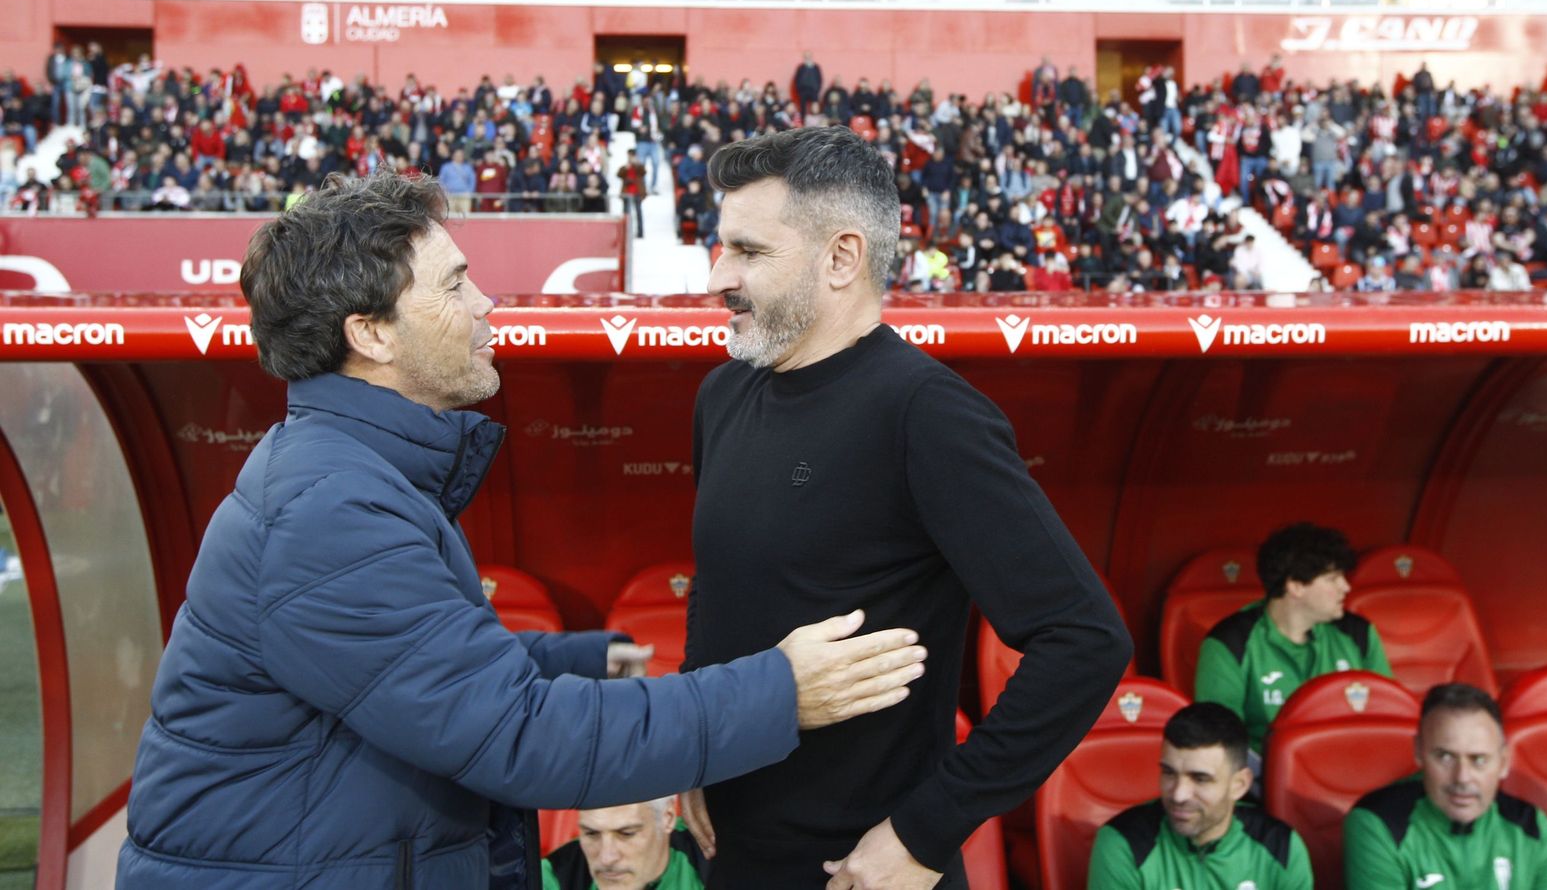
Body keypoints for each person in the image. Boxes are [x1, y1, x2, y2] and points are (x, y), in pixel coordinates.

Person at [115, 170, 928, 889]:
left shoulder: (349, 475)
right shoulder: (329, 510)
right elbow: (518, 734)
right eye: (454, 284)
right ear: (370, 334)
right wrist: (780, 693)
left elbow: (420, 665)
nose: (484, 303)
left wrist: (579, 657)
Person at [685, 126, 1132, 888]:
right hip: (729, 859)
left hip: (858, 871)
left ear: (842, 257)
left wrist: (926, 831)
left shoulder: (927, 414)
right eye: (721, 248)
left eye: (750, 253)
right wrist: (694, 744)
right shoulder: (722, 393)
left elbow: (1084, 639)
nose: (718, 277)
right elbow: (724, 593)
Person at [1344, 684, 1547, 890]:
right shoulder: (1379, 824)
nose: (1462, 777)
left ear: (1503, 763)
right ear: (1418, 752)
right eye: (1445, 757)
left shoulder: (1532, 828)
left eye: (1479, 760)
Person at [1194, 523, 1392, 761]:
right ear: (1296, 586)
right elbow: (1221, 744)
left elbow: (1389, 714)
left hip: (1352, 769)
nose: (1346, 587)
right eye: (1332, 579)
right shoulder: (1229, 643)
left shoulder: (1359, 634)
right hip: (1264, 785)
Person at [1087, 703, 1313, 890]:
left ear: (1239, 784)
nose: (1178, 794)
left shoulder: (1281, 846)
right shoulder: (1124, 844)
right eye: (1169, 773)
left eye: (1200, 779)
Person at [542, 798, 709, 890]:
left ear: (668, 817)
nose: (607, 857)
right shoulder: (551, 876)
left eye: (626, 834)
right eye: (591, 834)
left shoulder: (713, 859)